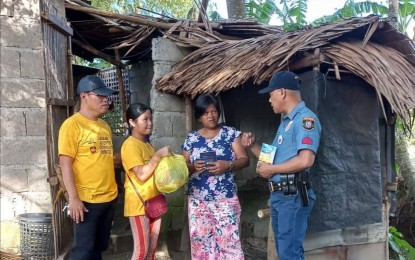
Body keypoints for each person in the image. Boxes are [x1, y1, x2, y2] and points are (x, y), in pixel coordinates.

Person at [241, 71, 322, 260]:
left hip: (291, 196)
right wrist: (252, 145)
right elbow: (271, 158)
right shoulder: (286, 122)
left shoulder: (305, 120)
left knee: (289, 254)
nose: (269, 100)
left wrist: (272, 170)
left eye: (271, 94)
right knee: (285, 252)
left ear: (282, 92)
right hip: (280, 196)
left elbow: (306, 160)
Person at [58, 75, 119, 260]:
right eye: (100, 96)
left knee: (98, 248)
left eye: (106, 96)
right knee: (83, 252)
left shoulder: (104, 126)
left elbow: (101, 156)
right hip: (86, 202)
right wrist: (74, 199)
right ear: (84, 96)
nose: (105, 100)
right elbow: (65, 164)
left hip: (109, 198)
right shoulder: (71, 126)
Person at [182, 94, 250, 259]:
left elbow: (245, 160)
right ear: (199, 117)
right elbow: (181, 167)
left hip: (224, 199)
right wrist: (192, 167)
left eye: (213, 111)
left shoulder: (230, 134)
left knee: (228, 241)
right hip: (198, 200)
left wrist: (227, 165)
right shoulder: (191, 139)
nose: (211, 115)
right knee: (201, 243)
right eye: (206, 113)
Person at [121, 103, 171, 260]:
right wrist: (158, 156)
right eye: (145, 119)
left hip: (154, 202)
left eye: (151, 118)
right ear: (132, 122)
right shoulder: (129, 145)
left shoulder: (147, 145)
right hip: (139, 205)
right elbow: (142, 174)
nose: (150, 123)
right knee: (141, 252)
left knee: (151, 251)